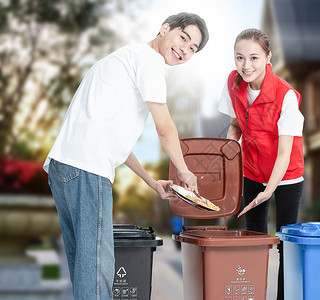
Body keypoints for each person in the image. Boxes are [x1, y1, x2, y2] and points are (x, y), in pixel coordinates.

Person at [43, 12, 208, 299]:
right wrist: (184, 170)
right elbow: (165, 128)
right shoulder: (149, 61)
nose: (185, 50)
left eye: (193, 48)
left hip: (64, 167)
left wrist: (151, 181)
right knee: (97, 270)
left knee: (84, 267)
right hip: (87, 169)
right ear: (164, 28)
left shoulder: (125, 58)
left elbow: (116, 140)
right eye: (183, 38)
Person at [218, 28, 304, 300]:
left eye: (254, 58)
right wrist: (230, 155)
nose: (246, 66)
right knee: (253, 240)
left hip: (286, 176)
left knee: (285, 243)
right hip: (253, 170)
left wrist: (269, 191)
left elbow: (284, 153)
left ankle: (283, 297)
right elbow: (234, 126)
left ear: (268, 57)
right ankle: (253, 294)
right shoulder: (233, 83)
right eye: (239, 58)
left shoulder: (285, 96)